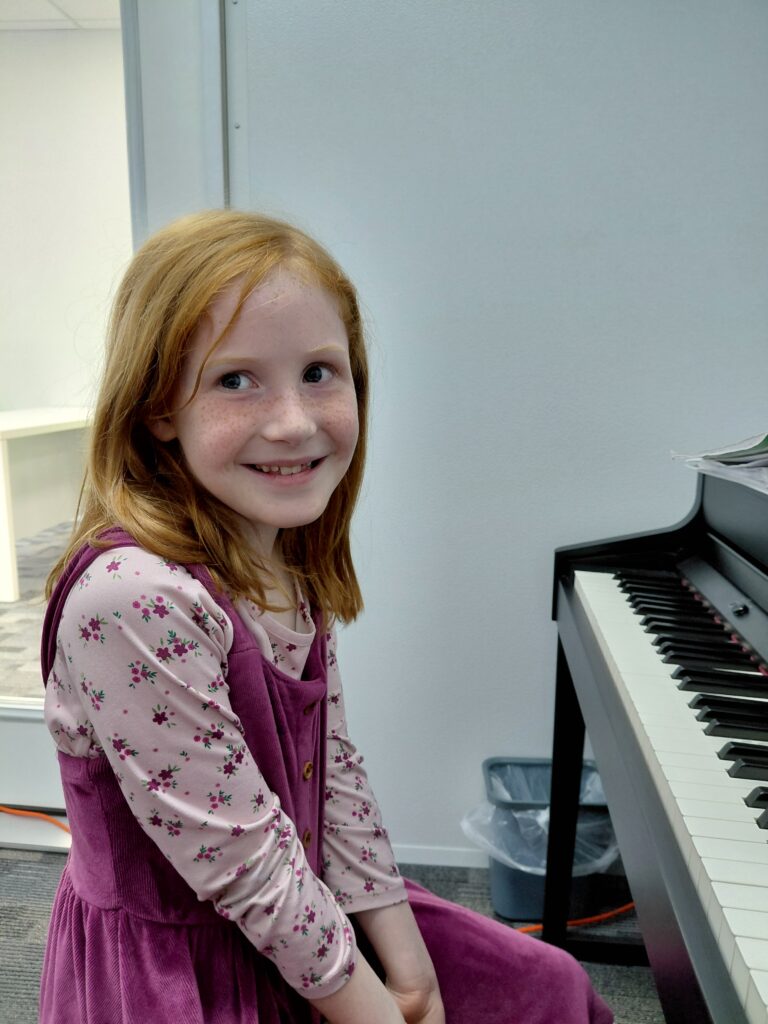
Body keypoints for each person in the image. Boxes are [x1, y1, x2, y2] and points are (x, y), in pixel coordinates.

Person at [40, 209, 613, 1024]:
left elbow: (333, 770)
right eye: (235, 380)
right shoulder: (132, 599)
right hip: (183, 964)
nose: (294, 422)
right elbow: (244, 863)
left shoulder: (281, 550)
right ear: (159, 406)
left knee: (546, 985)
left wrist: (410, 971)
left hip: (300, 902)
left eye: (318, 372)